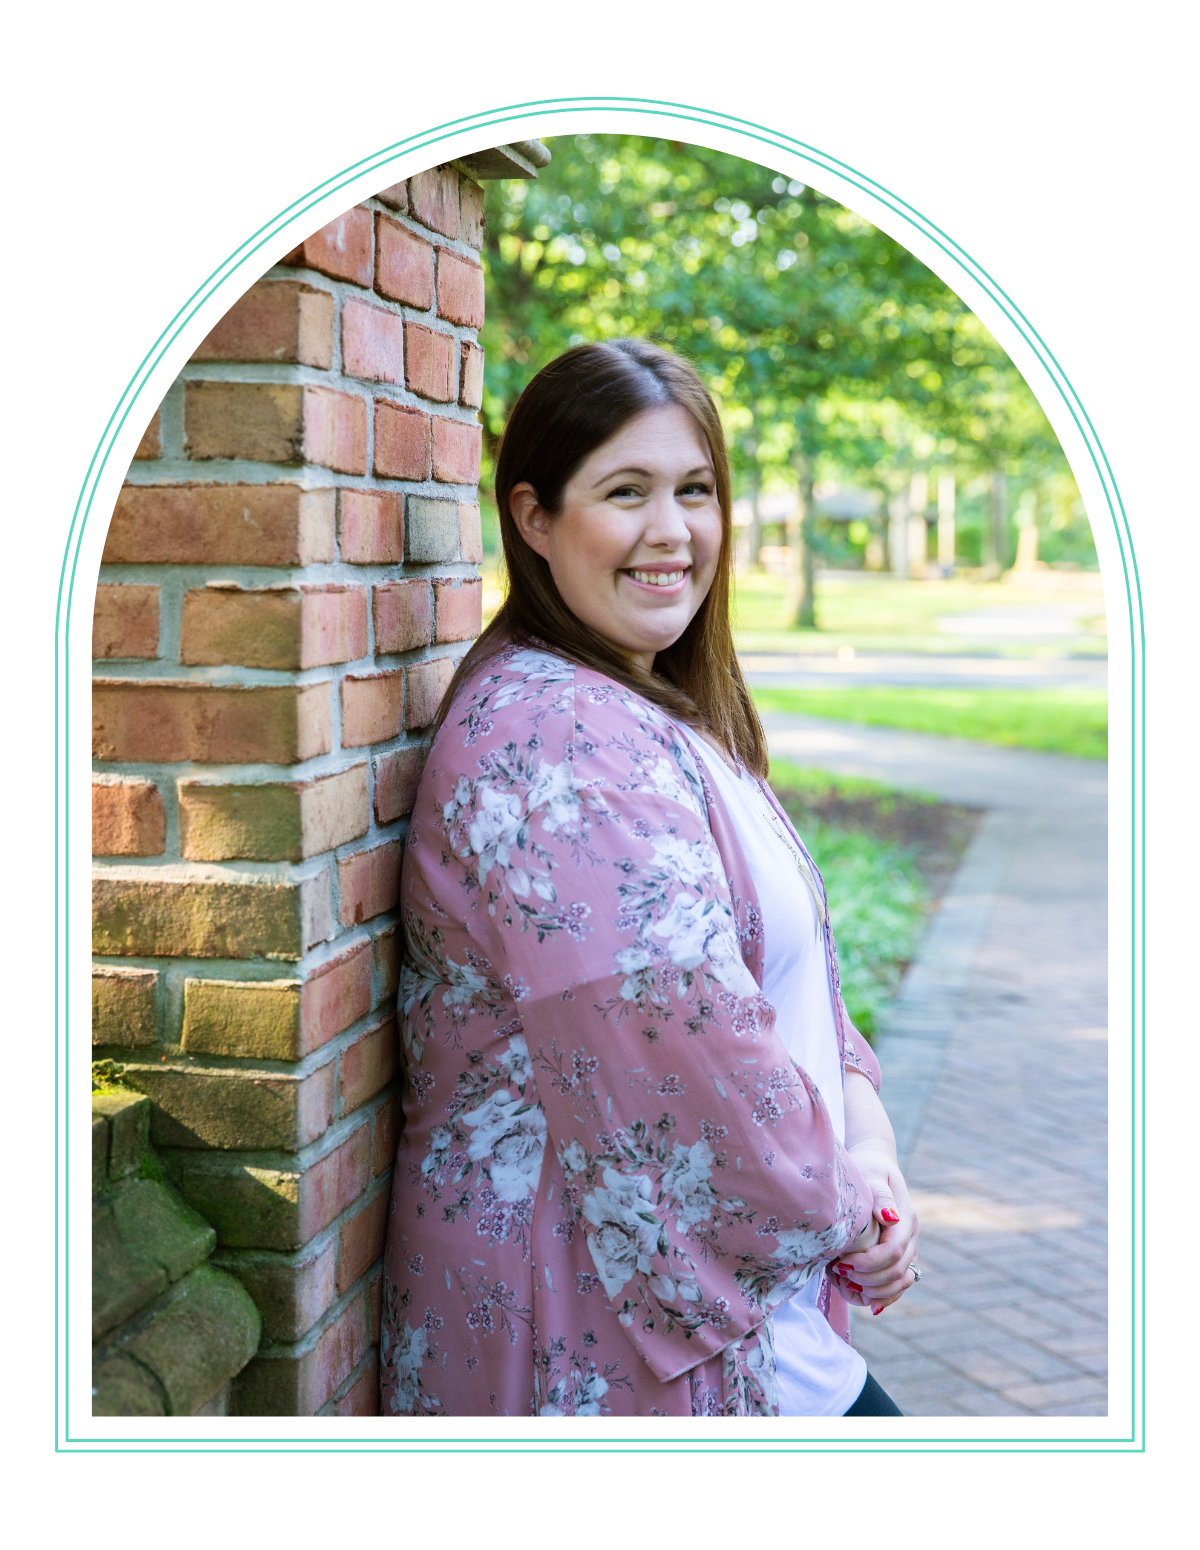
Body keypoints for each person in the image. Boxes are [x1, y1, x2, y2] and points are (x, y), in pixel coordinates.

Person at [379, 339, 920, 1418]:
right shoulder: (551, 738)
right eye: (626, 492)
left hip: (734, 1292)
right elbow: (685, 1041)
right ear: (533, 517)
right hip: (600, 1312)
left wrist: (870, 1135)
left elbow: (783, 968)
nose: (671, 531)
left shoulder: (647, 706)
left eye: (695, 490)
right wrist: (849, 1208)